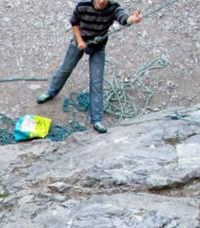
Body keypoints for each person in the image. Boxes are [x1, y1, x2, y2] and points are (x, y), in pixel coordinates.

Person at [36, 0, 142, 133]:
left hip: (98, 47)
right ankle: (50, 92)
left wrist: (133, 19)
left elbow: (124, 19)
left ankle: (97, 120)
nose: (102, 2)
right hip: (80, 41)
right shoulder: (83, 5)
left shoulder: (113, 7)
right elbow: (74, 23)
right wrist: (80, 41)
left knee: (97, 82)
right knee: (65, 69)